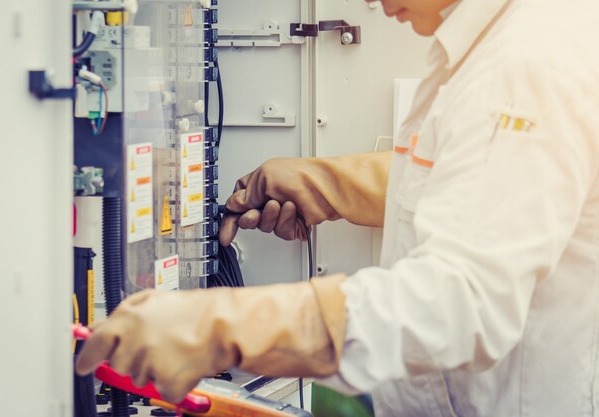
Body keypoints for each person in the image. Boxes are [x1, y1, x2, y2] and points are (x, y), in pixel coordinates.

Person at [77, 0, 599, 415]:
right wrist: (322, 183)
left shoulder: (525, 66)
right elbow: (469, 186)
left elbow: (459, 300)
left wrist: (223, 325)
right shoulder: (489, 48)